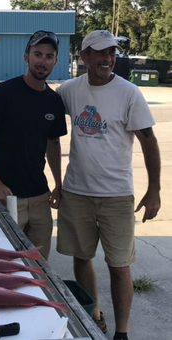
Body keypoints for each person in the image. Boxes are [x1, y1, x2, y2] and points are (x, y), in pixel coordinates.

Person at [56, 30, 161, 340]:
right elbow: (39, 108)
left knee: (119, 265)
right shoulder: (69, 90)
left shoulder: (129, 93)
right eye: (101, 52)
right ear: (85, 56)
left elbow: (149, 142)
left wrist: (154, 188)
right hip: (77, 192)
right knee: (81, 257)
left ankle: (122, 332)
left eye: (112, 52)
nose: (108, 58)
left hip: (117, 195)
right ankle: (94, 316)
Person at [0, 30, 67, 260]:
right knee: (3, 261)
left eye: (48, 56)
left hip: (39, 197)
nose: (42, 61)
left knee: (39, 264)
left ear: (55, 61)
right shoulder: (4, 92)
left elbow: (53, 143)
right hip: (6, 196)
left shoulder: (54, 101)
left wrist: (58, 183)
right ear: (26, 56)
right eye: (37, 54)